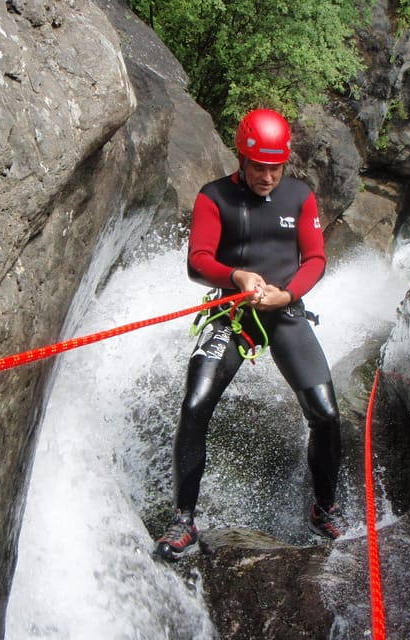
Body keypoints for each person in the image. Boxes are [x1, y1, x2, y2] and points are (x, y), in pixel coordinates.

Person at [155, 109, 346, 561]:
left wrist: (287, 294)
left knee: (326, 413)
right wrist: (237, 276)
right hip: (232, 315)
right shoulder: (214, 197)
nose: (267, 176)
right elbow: (197, 260)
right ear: (242, 158)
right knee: (195, 402)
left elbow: (316, 259)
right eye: (259, 166)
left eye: (275, 167)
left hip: (283, 312)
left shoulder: (300, 197)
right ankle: (183, 519)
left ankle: (324, 507)